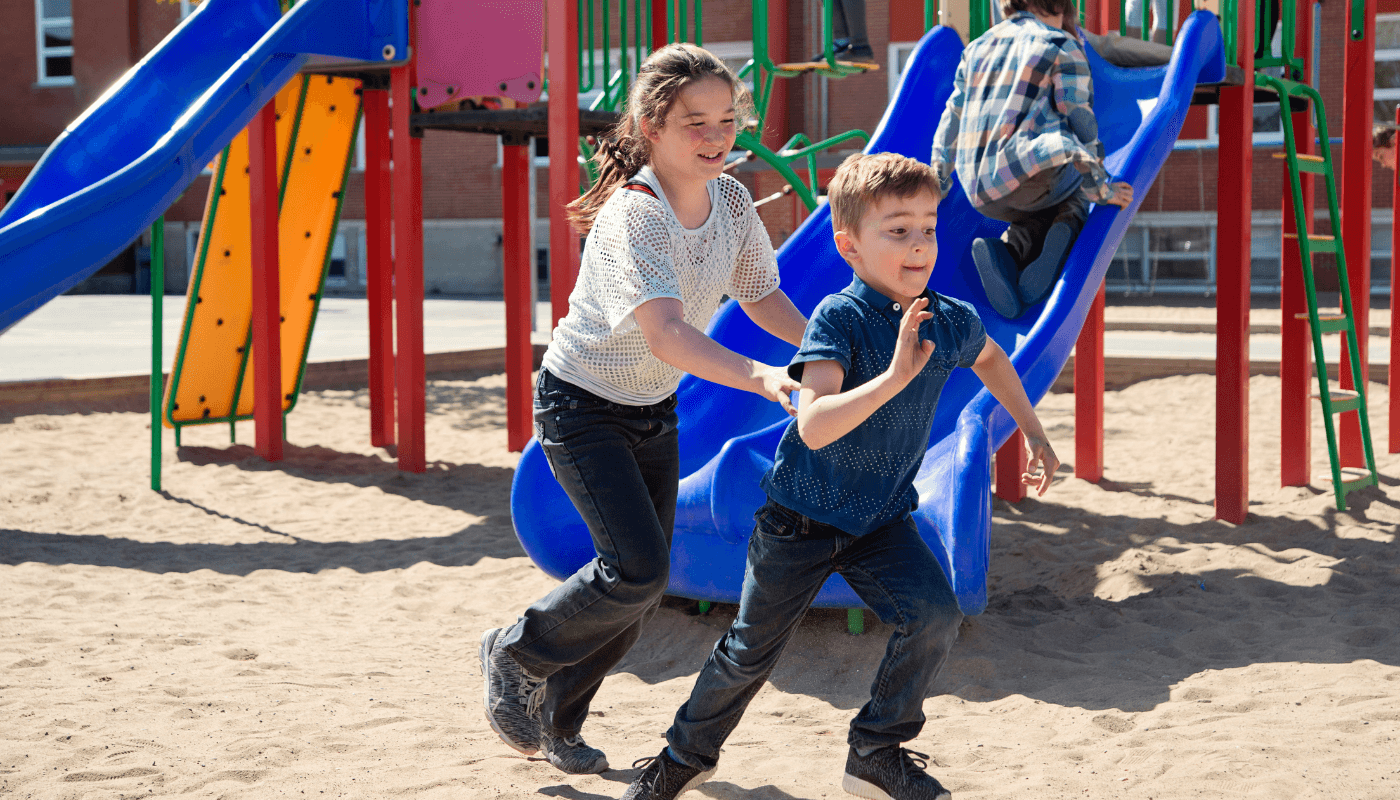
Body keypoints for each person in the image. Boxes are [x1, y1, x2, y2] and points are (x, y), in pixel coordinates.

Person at [620, 152, 1062, 800]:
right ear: (850, 246)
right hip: (800, 519)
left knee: (934, 616)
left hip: (880, 518)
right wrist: (893, 379)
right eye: (897, 230)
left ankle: (876, 751)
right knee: (749, 652)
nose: (919, 245)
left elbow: (994, 359)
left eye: (929, 228)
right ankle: (683, 757)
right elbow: (815, 424)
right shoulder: (839, 319)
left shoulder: (948, 317)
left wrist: (1036, 432)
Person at [478, 43, 810, 776]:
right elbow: (665, 331)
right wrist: (763, 377)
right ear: (652, 126)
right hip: (581, 407)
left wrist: (827, 343)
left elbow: (759, 294)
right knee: (632, 571)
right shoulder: (637, 216)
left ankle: (560, 721)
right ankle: (514, 650)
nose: (718, 135)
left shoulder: (728, 201)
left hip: (650, 410)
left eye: (727, 119)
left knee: (642, 587)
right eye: (696, 121)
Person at [931, 0, 1134, 320]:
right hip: (1032, 174)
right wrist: (1101, 189)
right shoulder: (1060, 44)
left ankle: (1009, 252)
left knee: (1030, 211)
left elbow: (951, 120)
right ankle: (1065, 227)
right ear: (1063, 8)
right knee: (1071, 187)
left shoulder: (976, 49)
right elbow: (1080, 121)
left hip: (978, 190)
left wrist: (938, 181)